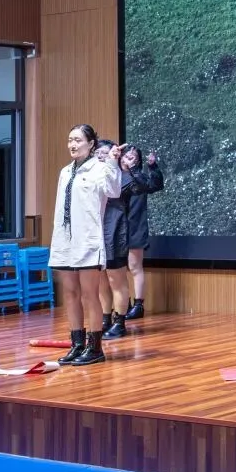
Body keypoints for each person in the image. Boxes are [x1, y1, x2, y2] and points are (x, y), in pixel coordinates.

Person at [49, 125, 122, 366]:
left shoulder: (100, 168)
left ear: (91, 144)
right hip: (65, 240)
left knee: (90, 294)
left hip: (88, 240)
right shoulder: (64, 171)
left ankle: (95, 347)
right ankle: (77, 344)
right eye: (70, 140)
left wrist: (112, 163)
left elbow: (113, 191)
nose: (72, 144)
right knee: (70, 293)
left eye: (78, 140)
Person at [94, 140, 133, 339]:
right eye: (98, 153)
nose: (101, 156)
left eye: (105, 153)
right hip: (96, 231)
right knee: (101, 279)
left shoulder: (121, 176)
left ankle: (120, 322)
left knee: (116, 278)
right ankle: (105, 318)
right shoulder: (91, 176)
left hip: (115, 228)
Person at [121, 145, 164, 321]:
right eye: (126, 155)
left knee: (134, 266)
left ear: (138, 160)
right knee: (118, 268)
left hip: (135, 226)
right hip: (116, 228)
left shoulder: (139, 177)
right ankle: (123, 303)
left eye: (133, 157)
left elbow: (156, 185)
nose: (129, 159)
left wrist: (152, 166)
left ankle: (138, 305)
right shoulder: (114, 175)